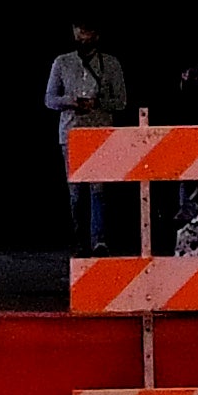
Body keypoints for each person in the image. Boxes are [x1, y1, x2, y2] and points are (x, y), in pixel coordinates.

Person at [39, 19, 132, 251]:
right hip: (71, 133)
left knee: (98, 190)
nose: (82, 37)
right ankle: (79, 241)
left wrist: (97, 103)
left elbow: (121, 101)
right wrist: (71, 102)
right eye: (78, 31)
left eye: (86, 32)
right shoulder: (62, 62)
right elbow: (49, 99)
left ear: (96, 35)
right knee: (76, 193)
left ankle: (99, 240)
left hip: (100, 133)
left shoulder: (110, 63)